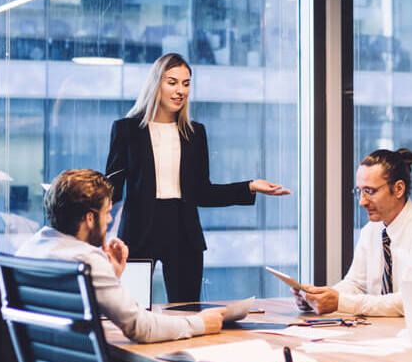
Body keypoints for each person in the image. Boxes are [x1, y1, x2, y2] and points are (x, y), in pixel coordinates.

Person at [105, 52, 291, 303]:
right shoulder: (126, 130)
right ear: (156, 84)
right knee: (133, 310)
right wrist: (77, 194)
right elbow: (113, 188)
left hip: (183, 232)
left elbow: (203, 192)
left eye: (186, 83)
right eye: (172, 82)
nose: (180, 90)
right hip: (138, 234)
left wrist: (250, 186)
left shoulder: (195, 133)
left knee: (186, 312)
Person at [14, 169, 227, 343]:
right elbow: (141, 328)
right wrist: (199, 323)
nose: (109, 221)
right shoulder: (86, 260)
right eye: (107, 212)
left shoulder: (27, 250)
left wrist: (113, 275)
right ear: (89, 218)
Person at [292, 149, 412, 316]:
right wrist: (319, 298)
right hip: (381, 330)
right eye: (359, 192)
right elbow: (356, 285)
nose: (362, 202)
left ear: (398, 189)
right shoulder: (371, 229)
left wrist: (340, 302)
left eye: (370, 191)